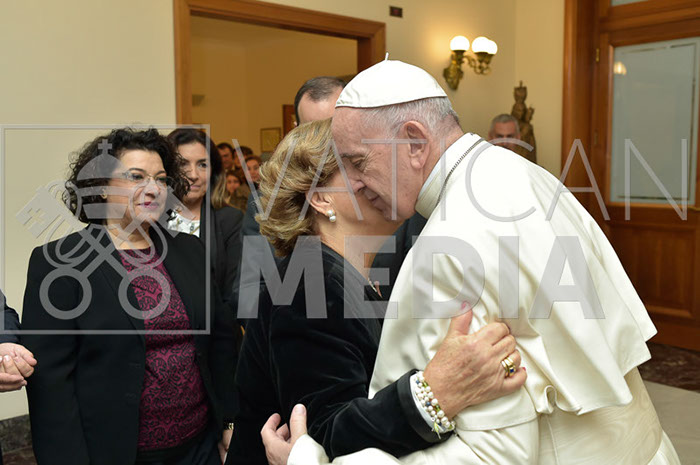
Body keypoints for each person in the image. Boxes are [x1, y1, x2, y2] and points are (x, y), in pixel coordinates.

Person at [270, 60, 679, 464]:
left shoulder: (448, 243)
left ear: (414, 143)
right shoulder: (526, 174)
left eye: (358, 162)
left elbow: (490, 455)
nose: (356, 181)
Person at [226, 119, 524, 465]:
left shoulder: (338, 275)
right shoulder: (309, 283)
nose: (385, 175)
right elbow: (328, 434)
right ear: (321, 198)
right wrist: (434, 394)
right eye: (358, 165)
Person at [21, 128, 239, 465]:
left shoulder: (190, 250)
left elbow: (222, 345)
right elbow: (51, 384)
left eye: (161, 179)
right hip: (116, 454)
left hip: (199, 447)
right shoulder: (60, 263)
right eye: (136, 177)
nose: (153, 189)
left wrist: (229, 422)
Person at [167, 128, 244, 303]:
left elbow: (235, 293)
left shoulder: (230, 220)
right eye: (182, 164)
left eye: (202, 165)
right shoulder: (152, 219)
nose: (193, 175)